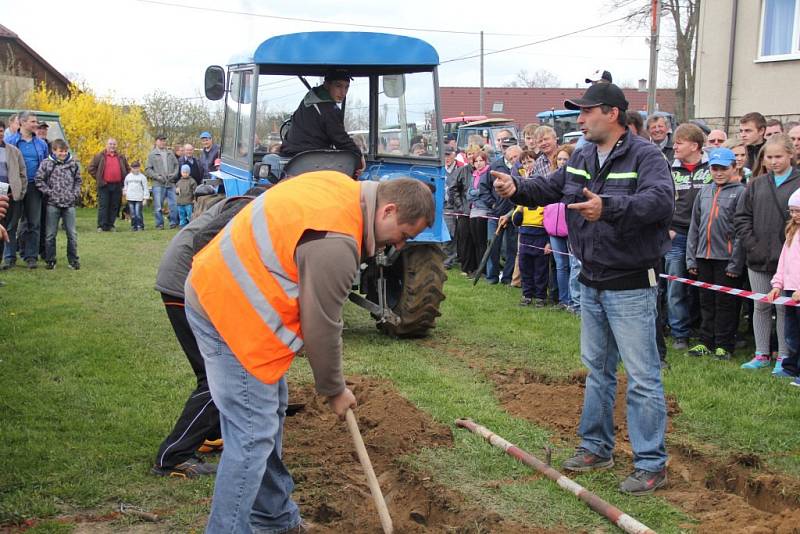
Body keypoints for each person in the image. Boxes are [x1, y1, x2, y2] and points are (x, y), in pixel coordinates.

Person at [184, 173, 433, 532]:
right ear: (389, 210)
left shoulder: (340, 187)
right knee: (252, 434)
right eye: (405, 234)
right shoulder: (337, 241)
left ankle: (275, 520)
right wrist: (334, 389)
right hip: (227, 310)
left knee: (265, 415)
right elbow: (322, 324)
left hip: (227, 295)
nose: (399, 245)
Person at [493, 82, 672, 495]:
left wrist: (609, 208)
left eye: (586, 111)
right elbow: (551, 188)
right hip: (590, 281)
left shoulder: (646, 156)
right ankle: (596, 447)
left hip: (629, 285)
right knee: (598, 372)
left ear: (611, 113)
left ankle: (651, 464)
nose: (579, 119)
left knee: (643, 378)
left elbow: (661, 203)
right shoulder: (583, 156)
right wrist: (515, 188)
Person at [151, 188, 266, 479]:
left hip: (186, 283)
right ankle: (173, 456)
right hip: (185, 286)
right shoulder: (251, 208)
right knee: (216, 378)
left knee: (219, 370)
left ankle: (212, 434)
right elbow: (207, 241)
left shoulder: (251, 204)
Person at [735, 133, 800, 373]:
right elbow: (741, 217)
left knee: (785, 307)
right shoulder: (756, 184)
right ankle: (761, 353)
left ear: (791, 155)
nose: (773, 161)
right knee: (761, 305)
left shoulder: (798, 183)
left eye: (778, 156)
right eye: (769, 157)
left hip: (791, 260)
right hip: (758, 257)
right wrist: (752, 244)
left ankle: (784, 355)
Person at [685, 148, 745, 360]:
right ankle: (705, 341)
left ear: (734, 167)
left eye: (723, 168)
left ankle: (724, 344)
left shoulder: (741, 192)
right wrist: (691, 257)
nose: (718, 173)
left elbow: (741, 231)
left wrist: (735, 262)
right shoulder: (704, 191)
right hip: (704, 257)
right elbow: (695, 226)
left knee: (725, 303)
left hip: (726, 259)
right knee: (706, 301)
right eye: (714, 168)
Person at [664, 123, 711, 350]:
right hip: (678, 234)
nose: (675, 147)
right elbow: (661, 200)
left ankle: (704, 332)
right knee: (676, 287)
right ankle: (680, 333)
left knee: (704, 287)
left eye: (679, 143)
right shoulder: (669, 169)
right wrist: (667, 227)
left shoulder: (713, 168)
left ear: (695, 145)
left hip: (706, 236)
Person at [280, 70, 366, 172]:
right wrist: (359, 156)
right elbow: (340, 139)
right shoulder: (327, 108)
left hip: (291, 157)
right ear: (327, 85)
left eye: (346, 87)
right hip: (311, 159)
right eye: (338, 86)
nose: (343, 92)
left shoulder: (310, 99)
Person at [5, 111, 49, 268]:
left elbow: (46, 166)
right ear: (22, 122)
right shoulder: (9, 141)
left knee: (33, 223)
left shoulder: (42, 144)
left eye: (36, 121)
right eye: (32, 121)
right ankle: (9, 257)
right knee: (11, 223)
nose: (35, 124)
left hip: (34, 187)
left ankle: (31, 257)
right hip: (14, 186)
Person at [768, 188, 800, 383]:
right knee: (791, 334)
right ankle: (790, 367)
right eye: (792, 211)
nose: (795, 215)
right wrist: (777, 284)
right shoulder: (791, 231)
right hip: (789, 290)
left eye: (799, 211)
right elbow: (783, 260)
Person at [34, 138, 81, 270]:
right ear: (54, 151)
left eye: (65, 151)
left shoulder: (73, 164)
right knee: (50, 234)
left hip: (69, 204)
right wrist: (49, 192)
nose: (63, 154)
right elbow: (39, 180)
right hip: (52, 204)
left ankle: (73, 260)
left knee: (72, 234)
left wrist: (74, 194)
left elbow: (78, 181)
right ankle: (50, 260)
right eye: (61, 151)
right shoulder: (47, 164)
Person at [486, 145, 521, 284]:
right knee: (493, 247)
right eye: (511, 157)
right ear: (506, 156)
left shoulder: (520, 169)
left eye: (516, 157)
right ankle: (491, 277)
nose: (514, 159)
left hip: (513, 214)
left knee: (511, 249)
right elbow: (484, 187)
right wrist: (492, 204)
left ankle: (507, 277)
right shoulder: (495, 166)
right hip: (495, 214)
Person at [0, 120, 28, 270]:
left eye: (1, 132)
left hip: (10, 195)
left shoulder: (13, 151)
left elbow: (23, 173)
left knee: (10, 227)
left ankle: (9, 258)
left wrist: (20, 192)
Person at [88, 138, 130, 232]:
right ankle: (101, 226)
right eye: (110, 144)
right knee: (103, 205)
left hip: (117, 185)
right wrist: (99, 178)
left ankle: (111, 225)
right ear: (106, 145)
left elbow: (127, 169)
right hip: (104, 185)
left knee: (114, 206)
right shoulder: (100, 156)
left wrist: (124, 180)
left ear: (116, 145)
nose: (112, 146)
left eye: (114, 144)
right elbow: (91, 168)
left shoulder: (121, 157)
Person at [146, 134, 180, 230]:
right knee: (158, 206)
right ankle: (159, 224)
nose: (163, 142)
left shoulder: (170, 153)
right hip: (158, 184)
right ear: (156, 141)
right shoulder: (152, 154)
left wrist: (174, 174)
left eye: (164, 140)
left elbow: (177, 165)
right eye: (161, 140)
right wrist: (157, 176)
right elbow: (148, 169)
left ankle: (173, 223)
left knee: (173, 205)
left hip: (171, 183)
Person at [443, 146, 469, 270]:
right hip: (444, 206)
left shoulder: (461, 168)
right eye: (444, 155)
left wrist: (460, 204)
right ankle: (447, 260)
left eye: (449, 155)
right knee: (448, 233)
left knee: (457, 234)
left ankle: (454, 258)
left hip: (458, 205)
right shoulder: (440, 168)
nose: (446, 158)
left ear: (454, 155)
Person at [467, 149, 491, 277]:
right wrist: (476, 193)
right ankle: (477, 268)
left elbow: (483, 191)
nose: (478, 163)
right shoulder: (474, 175)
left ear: (485, 161)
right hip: (474, 210)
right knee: (475, 242)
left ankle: (483, 269)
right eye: (476, 161)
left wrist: (475, 193)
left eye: (481, 160)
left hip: (483, 210)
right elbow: (469, 194)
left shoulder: (488, 173)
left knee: (482, 242)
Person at [123, 161, 149, 231]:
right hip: (130, 198)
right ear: (131, 168)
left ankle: (140, 226)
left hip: (139, 198)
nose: (136, 169)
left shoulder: (142, 177)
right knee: (133, 214)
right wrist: (125, 192)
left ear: (139, 168)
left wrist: (145, 198)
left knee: (138, 213)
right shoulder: (128, 177)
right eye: (134, 168)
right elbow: (125, 185)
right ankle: (133, 226)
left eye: (137, 168)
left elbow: (145, 188)